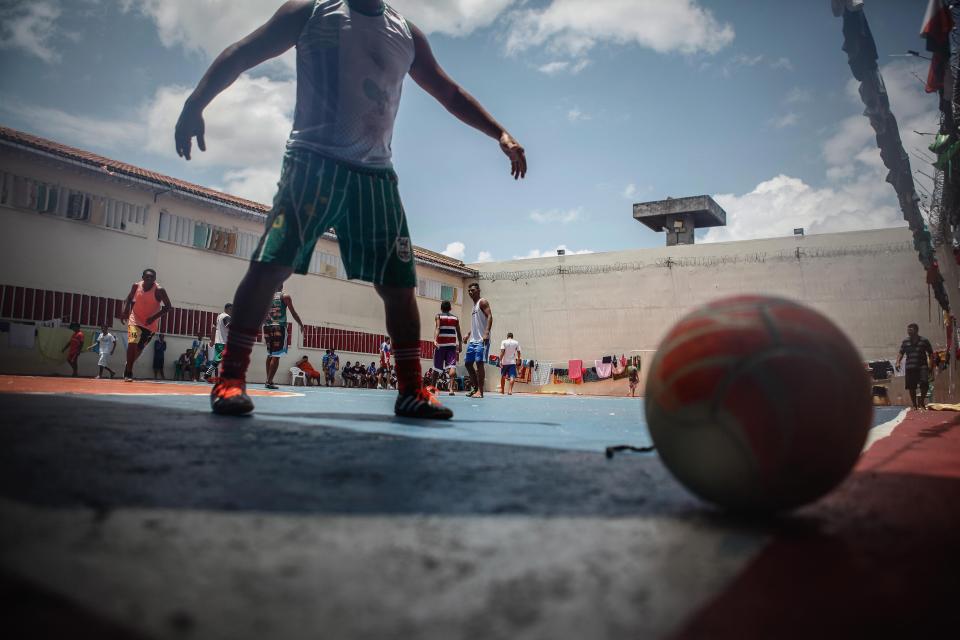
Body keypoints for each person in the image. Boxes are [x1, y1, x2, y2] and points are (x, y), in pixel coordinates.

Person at [175, 0, 526, 419]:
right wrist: (196, 102)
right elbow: (244, 51)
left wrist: (499, 132)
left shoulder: (406, 34)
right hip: (313, 164)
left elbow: (448, 93)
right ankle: (230, 378)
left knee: (399, 285)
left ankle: (411, 389)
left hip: (374, 174)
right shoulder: (310, 12)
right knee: (271, 265)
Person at [121, 268, 172, 381]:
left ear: (155, 279)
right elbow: (128, 299)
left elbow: (168, 307)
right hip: (135, 319)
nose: (149, 279)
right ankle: (128, 372)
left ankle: (128, 363)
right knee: (132, 342)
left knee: (138, 349)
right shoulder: (136, 286)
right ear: (143, 277)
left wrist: (153, 318)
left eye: (152, 277)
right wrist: (125, 311)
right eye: (147, 277)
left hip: (150, 325)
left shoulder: (159, 290)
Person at [263, 287, 304, 389]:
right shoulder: (284, 296)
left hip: (267, 327)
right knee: (276, 355)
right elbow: (293, 313)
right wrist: (301, 324)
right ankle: (269, 381)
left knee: (270, 354)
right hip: (279, 326)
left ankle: (268, 380)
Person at [463, 283, 493, 398]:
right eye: (469, 291)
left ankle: (480, 391)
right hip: (473, 340)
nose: (470, 292)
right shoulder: (474, 306)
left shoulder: (482, 302)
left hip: (482, 340)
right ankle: (475, 388)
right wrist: (468, 334)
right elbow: (476, 324)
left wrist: (486, 332)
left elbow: (490, 316)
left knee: (479, 363)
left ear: (478, 290)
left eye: (473, 290)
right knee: (468, 364)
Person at [896, 323, 935, 409]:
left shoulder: (924, 340)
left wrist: (931, 365)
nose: (909, 331)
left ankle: (921, 401)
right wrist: (897, 362)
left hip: (922, 366)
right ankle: (914, 404)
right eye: (908, 330)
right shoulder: (905, 341)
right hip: (910, 367)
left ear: (916, 330)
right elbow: (901, 353)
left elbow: (931, 354)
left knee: (925, 383)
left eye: (911, 329)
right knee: (911, 386)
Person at [434, 300, 462, 396]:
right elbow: (458, 332)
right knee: (452, 366)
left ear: (441, 308)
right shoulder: (455, 318)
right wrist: (461, 344)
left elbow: (438, 328)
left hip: (441, 345)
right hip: (451, 346)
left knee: (436, 368)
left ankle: (433, 388)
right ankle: (451, 389)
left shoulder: (439, 316)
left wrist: (435, 340)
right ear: (450, 308)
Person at [205, 303, 233, 382]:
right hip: (224, 342)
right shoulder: (226, 317)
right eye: (231, 309)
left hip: (219, 342)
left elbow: (214, 327)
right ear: (227, 309)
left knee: (218, 360)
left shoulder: (219, 316)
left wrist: (212, 340)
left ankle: (207, 375)